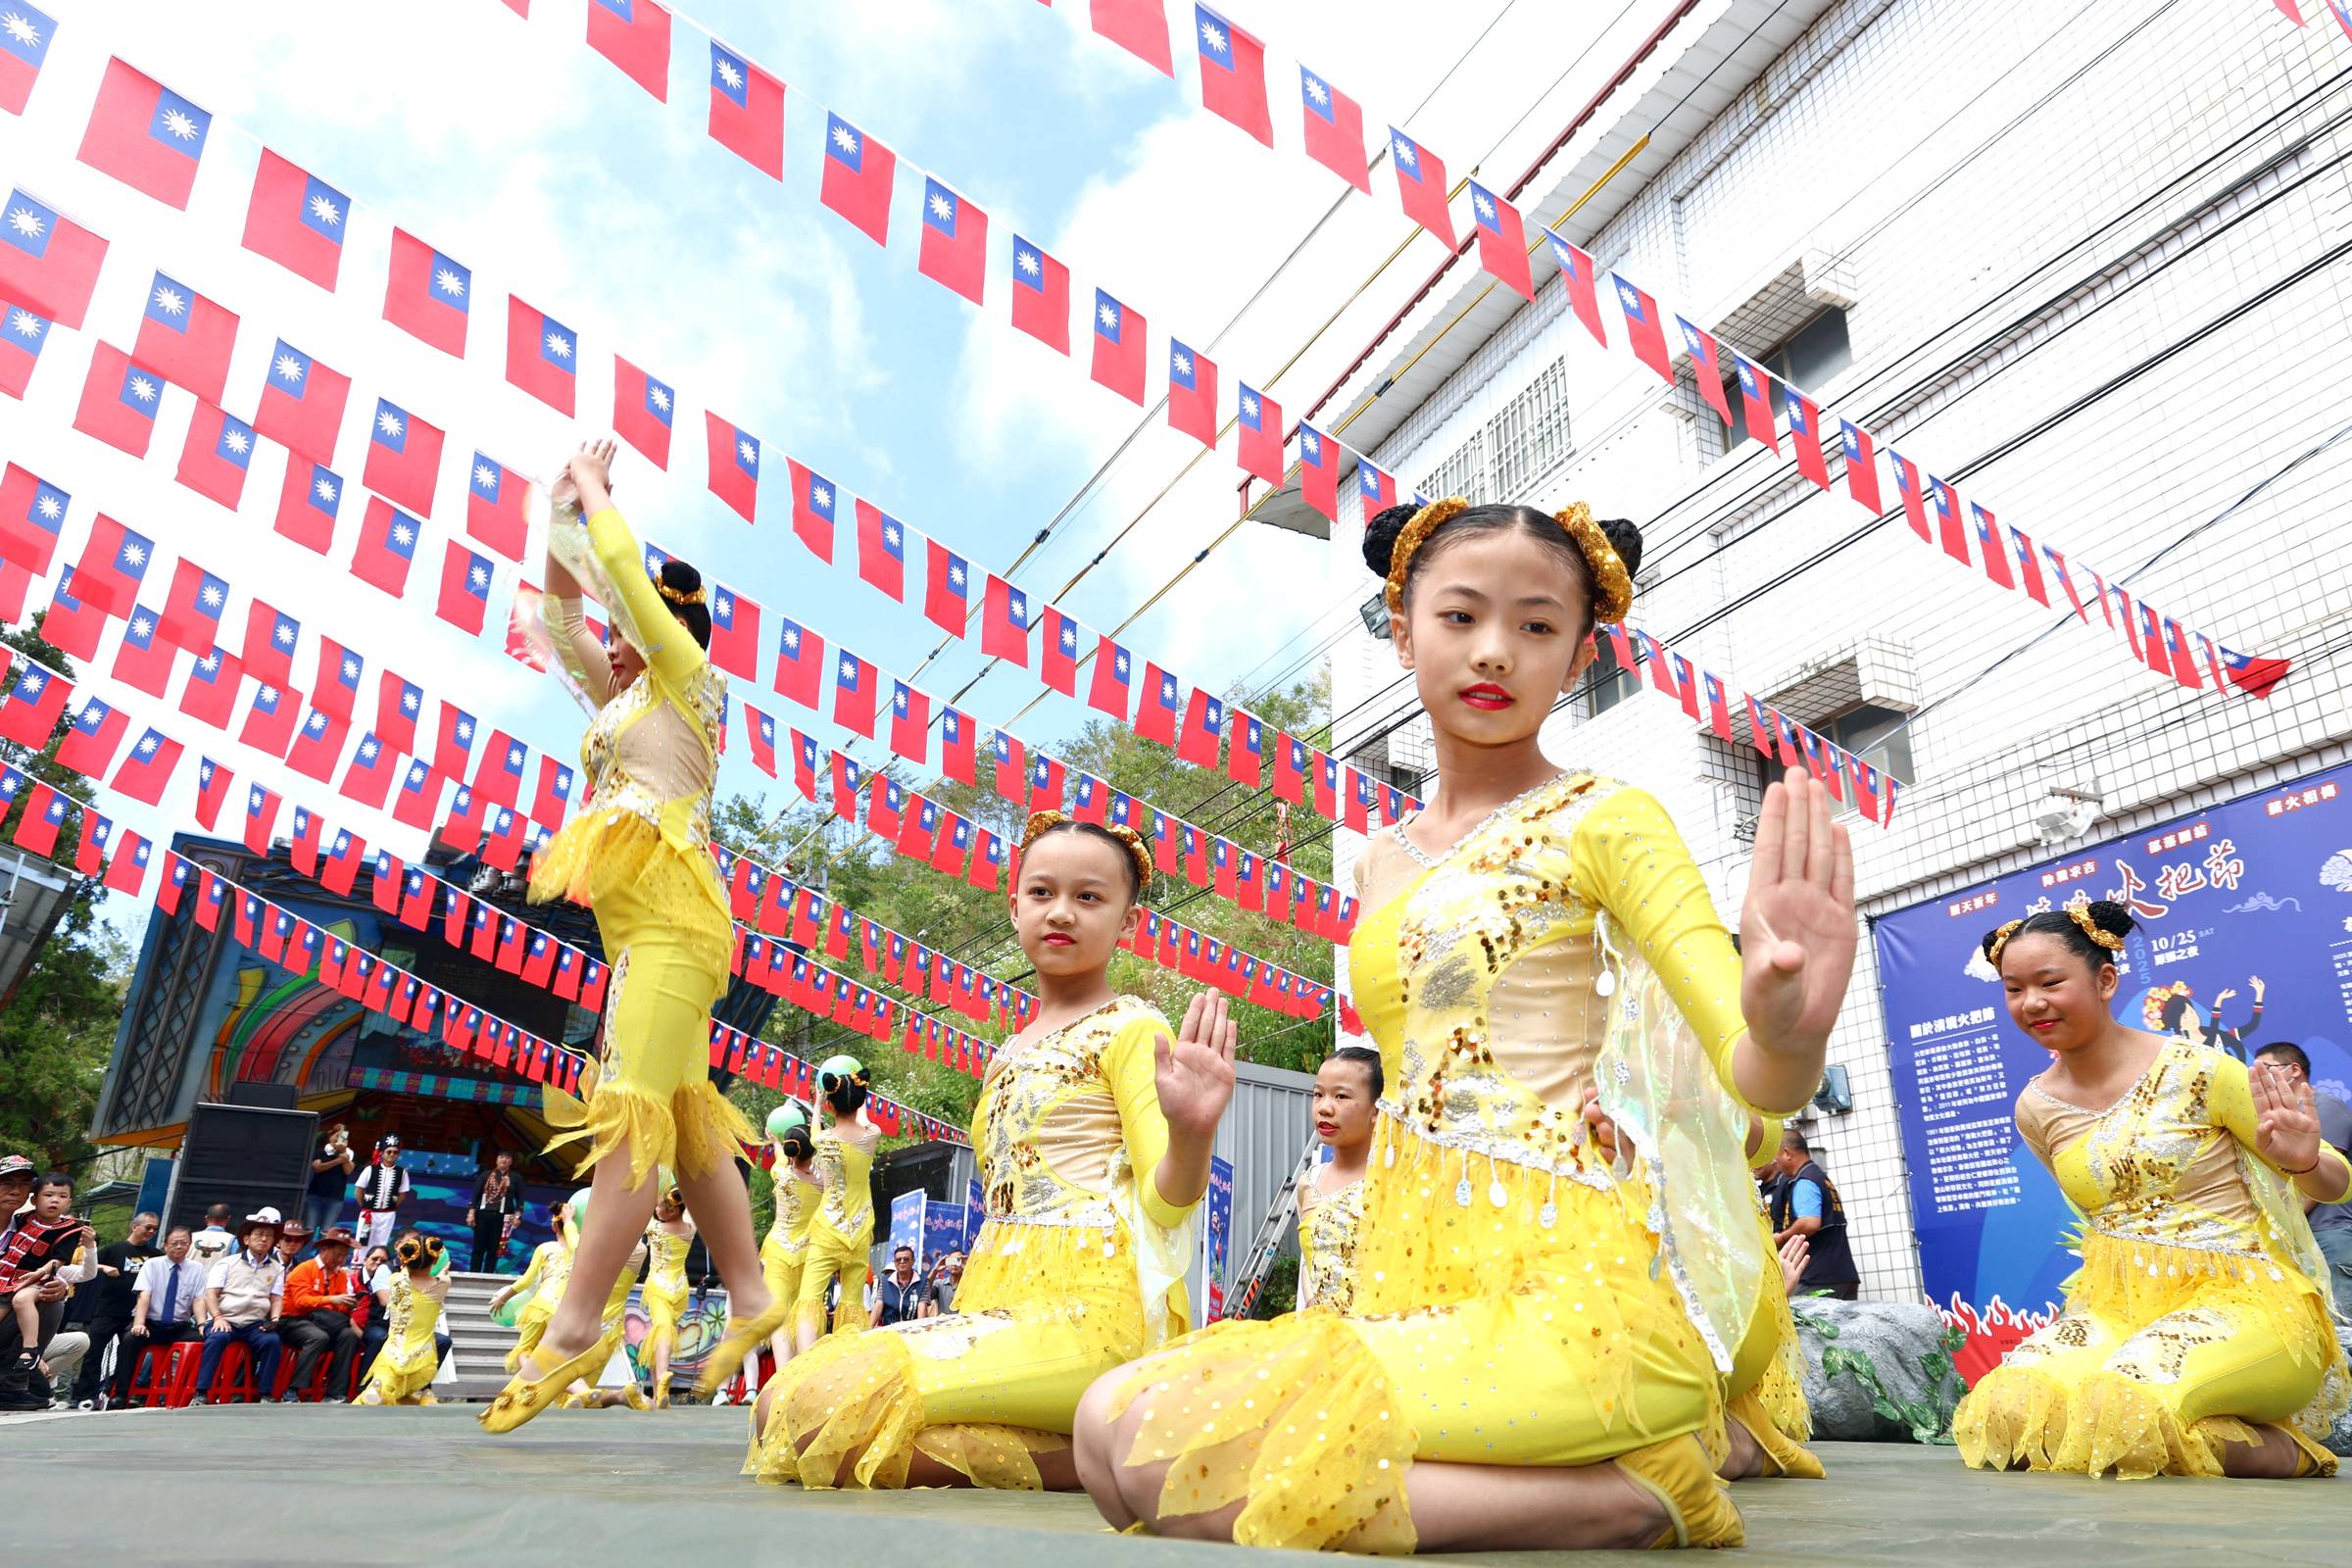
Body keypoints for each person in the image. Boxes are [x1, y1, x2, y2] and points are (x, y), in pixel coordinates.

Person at [1073, 497, 1855, 1552]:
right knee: (1104, 1431)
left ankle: (1640, 1494)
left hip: (1585, 1296)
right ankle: (1617, 1475)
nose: (1496, 650)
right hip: (1420, 1286)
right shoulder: (1381, 860)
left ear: (1579, 655)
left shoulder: (1608, 816)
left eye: (1537, 626)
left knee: (1162, 1455)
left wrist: (1790, 1021)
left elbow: (1757, 1072)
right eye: (1460, 616)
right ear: (1403, 632)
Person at [751, 813, 1233, 1494]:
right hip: (996, 1307)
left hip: (1093, 1314)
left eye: (1089, 897)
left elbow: (1166, 1202)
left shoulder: (1133, 1026)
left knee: (818, 1414)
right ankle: (1118, 1444)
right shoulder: (1007, 1052)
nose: (1061, 912)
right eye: (1041, 893)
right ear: (1015, 908)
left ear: (1128, 922)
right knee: (785, 1406)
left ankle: (1134, 1449)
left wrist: (1193, 1132)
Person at [480, 441, 781, 1433]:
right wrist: (559, 506)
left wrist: (603, 496)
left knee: (632, 1116)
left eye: (630, 629)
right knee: (690, 1122)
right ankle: (749, 1293)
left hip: (676, 925)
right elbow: (563, 607)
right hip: (642, 934)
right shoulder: (619, 699)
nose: (611, 642)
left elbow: (621, 591)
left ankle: (573, 1329)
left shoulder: (690, 680)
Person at [1955, 904, 2351, 1479]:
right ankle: (2188, 1434)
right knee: (2011, 1411)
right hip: (2119, 1309)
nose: (2031, 1003)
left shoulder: (2200, 1069)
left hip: (2247, 1304)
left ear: (2106, 979)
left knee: (2122, 1405)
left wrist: (2305, 1160)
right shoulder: (2035, 1106)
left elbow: (2338, 1183)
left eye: (2050, 982)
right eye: (2013, 989)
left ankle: (2294, 1454)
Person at [2252, 1042, 2352, 1319]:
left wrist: (2280, 1225)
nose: (2259, 1075)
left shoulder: (2324, 1106)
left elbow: (2315, 1176)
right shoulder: (2273, 1119)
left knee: (2345, 1327)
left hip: (2330, 1233)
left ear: (2294, 1070)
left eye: (2265, 1068)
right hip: (2302, 1239)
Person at [792, 1054, 881, 1351]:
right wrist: (859, 1097)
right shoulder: (871, 1137)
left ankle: (803, 1367)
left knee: (810, 1297)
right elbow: (865, 1121)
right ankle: (847, 1366)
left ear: (829, 1104)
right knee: (853, 1302)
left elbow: (815, 1129)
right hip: (859, 1230)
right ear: (859, 1100)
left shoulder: (822, 1140)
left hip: (829, 1228)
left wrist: (817, 1104)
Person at [0, 1169, 94, 1410]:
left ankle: (15, 1378)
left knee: (52, 1303)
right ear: (37, 1199)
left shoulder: (24, 1224)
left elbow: (69, 1268)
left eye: (23, 1184)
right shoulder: (25, 1222)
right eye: (7, 1182)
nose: (15, 1190)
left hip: (15, 1297)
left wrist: (58, 1284)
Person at [1296, 1047, 1378, 1312]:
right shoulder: (1309, 1183)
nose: (1324, 1108)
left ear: (1376, 1109)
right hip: (1320, 1339)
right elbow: (1309, 1266)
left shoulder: (1393, 1185)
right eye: (1318, 1094)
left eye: (1341, 1096)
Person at [192, 1209, 287, 1404]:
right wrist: (217, 1317)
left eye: (269, 1236)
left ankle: (265, 1394)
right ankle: (201, 1392)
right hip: (226, 1318)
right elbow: (211, 1293)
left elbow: (276, 1298)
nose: (264, 1239)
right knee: (217, 1338)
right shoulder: (227, 1263)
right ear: (246, 1239)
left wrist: (275, 1319)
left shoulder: (277, 1268)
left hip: (254, 1323)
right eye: (259, 1235)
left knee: (272, 1342)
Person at [759, 1104, 824, 1372]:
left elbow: (780, 1156)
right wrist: (817, 1110)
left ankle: (783, 1374)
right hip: (807, 1255)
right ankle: (802, 1372)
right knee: (803, 1314)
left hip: (777, 1252)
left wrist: (775, 1140)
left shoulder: (781, 1174)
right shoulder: (823, 1183)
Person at [74, 1210, 162, 1408]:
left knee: (128, 1354)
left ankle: (118, 1393)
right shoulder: (114, 1249)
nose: (151, 1232)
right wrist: (104, 1268)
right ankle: (85, 1395)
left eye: (155, 1229)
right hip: (107, 1309)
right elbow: (87, 1264)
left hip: (135, 1315)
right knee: (93, 1351)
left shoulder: (156, 1255)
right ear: (135, 1226)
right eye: (148, 1227)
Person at [354, 1235, 449, 1406]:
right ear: (434, 1261)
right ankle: (423, 1392)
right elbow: (442, 1275)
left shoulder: (396, 1280)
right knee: (418, 1370)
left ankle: (378, 1387)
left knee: (385, 1372)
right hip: (421, 1350)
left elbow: (406, 1277)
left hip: (395, 1347)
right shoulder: (441, 1285)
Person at [119, 1226, 208, 1404]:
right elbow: (144, 1295)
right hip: (151, 1323)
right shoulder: (152, 1265)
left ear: (190, 1245)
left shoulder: (197, 1268)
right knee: (130, 1340)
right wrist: (139, 1323)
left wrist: (201, 1324)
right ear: (165, 1245)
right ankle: (122, 1394)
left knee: (204, 1342)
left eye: (184, 1243)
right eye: (174, 1243)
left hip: (179, 1326)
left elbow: (198, 1299)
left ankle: (188, 1393)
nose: (179, 1247)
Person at [1768, 1129, 1859, 1299]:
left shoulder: (1805, 1180)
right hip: (1841, 1275)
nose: (1775, 1162)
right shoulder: (1819, 1176)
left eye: (1776, 1155)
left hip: (1818, 1278)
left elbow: (1810, 1222)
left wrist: (1780, 1238)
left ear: (1787, 1153)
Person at [279, 1227, 364, 1402]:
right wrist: (332, 1299)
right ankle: (293, 1389)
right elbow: (300, 1302)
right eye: (337, 1255)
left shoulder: (340, 1275)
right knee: (318, 1337)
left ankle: (335, 1393)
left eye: (344, 1255)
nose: (341, 1260)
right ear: (324, 1250)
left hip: (325, 1321)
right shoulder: (305, 1269)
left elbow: (337, 1309)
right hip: (293, 1320)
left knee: (348, 1336)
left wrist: (347, 1304)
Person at [490, 1200, 572, 1374]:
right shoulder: (580, 1250)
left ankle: (536, 1379)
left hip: (542, 1304)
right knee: (556, 1354)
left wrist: (502, 1298)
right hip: (568, 1308)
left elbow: (526, 1281)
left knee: (524, 1350)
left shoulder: (546, 1248)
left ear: (554, 1227)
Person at [641, 1186, 694, 1406]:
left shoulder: (654, 1228)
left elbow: (640, 1210)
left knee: (662, 1331)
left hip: (658, 1288)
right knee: (659, 1336)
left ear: (671, 1211)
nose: (655, 1209)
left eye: (659, 1206)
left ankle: (663, 1376)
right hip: (680, 1289)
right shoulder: (690, 1229)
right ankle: (658, 1394)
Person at [466, 1150, 525, 1273]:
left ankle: (488, 1274)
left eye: (507, 1158)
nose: (504, 1160)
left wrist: (518, 1216)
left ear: (511, 1162)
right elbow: (476, 1195)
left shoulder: (515, 1177)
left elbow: (520, 1199)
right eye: (501, 1157)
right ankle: (473, 1273)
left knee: (494, 1248)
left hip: (503, 1217)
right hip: (483, 1214)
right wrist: (471, 1213)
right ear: (497, 1160)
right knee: (478, 1246)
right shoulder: (486, 1175)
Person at [354, 1137, 412, 1253]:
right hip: (368, 1213)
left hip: (388, 1214)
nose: (392, 1155)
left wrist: (390, 1208)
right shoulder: (370, 1169)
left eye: (395, 1152)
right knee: (362, 1240)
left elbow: (402, 1195)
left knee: (381, 1242)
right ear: (381, 1153)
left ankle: (377, 1265)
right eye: (389, 1152)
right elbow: (358, 1191)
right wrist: (365, 1206)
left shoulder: (402, 1172)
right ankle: (358, 1266)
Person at [306, 1124, 356, 1233]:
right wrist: (338, 1161)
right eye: (336, 1136)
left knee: (327, 1231)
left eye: (342, 1137)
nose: (338, 1140)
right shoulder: (321, 1152)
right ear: (330, 1136)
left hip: (335, 1198)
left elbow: (348, 1171)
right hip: (315, 1195)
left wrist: (343, 1153)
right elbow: (317, 1167)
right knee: (310, 1229)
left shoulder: (348, 1154)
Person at [870, 1245, 922, 1328]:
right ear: (894, 1263)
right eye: (898, 1260)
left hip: (912, 1330)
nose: (902, 1262)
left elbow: (922, 1307)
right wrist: (868, 1329)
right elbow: (879, 1305)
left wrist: (919, 1331)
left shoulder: (922, 1281)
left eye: (906, 1259)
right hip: (889, 1330)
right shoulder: (885, 1281)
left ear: (913, 1261)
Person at [920, 1252, 962, 1319]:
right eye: (951, 1261)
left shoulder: (970, 1284)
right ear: (947, 1266)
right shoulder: (939, 1284)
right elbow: (923, 1293)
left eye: (958, 1260)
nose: (954, 1264)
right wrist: (935, 1270)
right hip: (944, 1326)